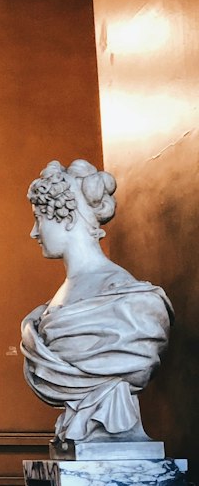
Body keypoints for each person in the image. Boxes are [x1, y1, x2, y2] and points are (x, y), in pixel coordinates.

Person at [20, 159, 172, 445]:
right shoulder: (53, 304)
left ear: (67, 217)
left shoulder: (132, 302)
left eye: (39, 218)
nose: (34, 232)